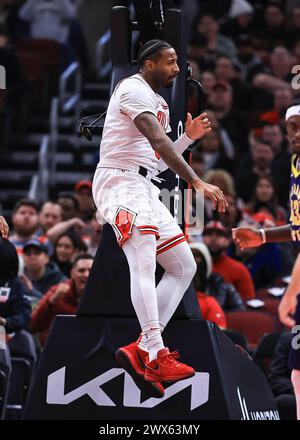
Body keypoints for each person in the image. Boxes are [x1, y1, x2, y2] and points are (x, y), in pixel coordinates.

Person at [92, 39, 228, 397]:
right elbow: (159, 141)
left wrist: (189, 140)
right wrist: (196, 181)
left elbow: (158, 156)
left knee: (184, 265)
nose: (175, 69)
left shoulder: (160, 102)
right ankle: (156, 351)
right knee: (144, 260)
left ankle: (141, 348)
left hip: (144, 184)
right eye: (169, 62)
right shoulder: (133, 89)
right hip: (120, 181)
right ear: (149, 63)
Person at [232, 104, 300, 419]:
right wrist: (261, 236)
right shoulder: (295, 164)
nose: (296, 134)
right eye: (292, 128)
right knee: (296, 364)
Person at [30, 253, 93, 347]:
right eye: (81, 270)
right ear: (72, 273)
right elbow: (33, 325)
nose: (86, 275)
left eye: (91, 271)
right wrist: (51, 301)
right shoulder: (58, 291)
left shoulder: (103, 295)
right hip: (56, 348)